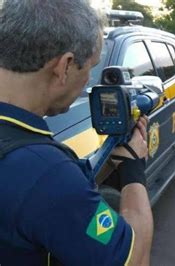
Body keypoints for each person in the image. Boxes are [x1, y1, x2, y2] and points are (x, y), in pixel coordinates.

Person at [0, 0, 153, 265]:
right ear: (65, 66)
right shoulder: (44, 172)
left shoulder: (38, 165)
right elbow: (134, 258)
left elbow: (54, 195)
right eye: (91, 68)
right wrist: (133, 167)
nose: (88, 80)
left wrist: (109, 160)